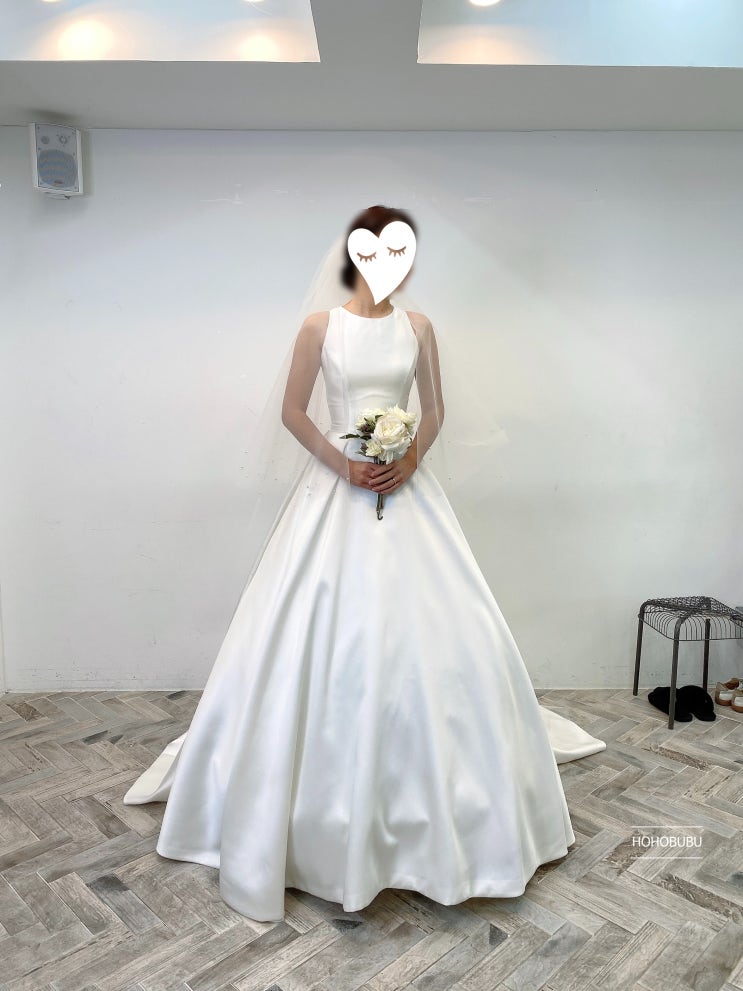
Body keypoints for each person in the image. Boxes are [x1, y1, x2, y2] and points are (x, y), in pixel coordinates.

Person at [123, 204, 605, 922]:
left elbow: (434, 410)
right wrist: (344, 463)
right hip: (337, 490)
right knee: (313, 627)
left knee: (443, 628)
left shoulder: (420, 328)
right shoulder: (319, 327)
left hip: (408, 490)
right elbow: (294, 411)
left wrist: (407, 458)